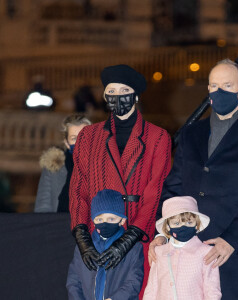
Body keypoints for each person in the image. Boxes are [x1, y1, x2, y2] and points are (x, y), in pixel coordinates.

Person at [149, 59, 238, 300]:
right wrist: (162, 232)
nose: (219, 91)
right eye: (213, 85)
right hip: (187, 252)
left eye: (227, 85)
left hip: (236, 252)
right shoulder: (191, 134)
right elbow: (174, 187)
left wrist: (231, 240)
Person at [69, 64, 172, 297]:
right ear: (105, 97)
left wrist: (128, 240)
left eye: (123, 91)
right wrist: (83, 238)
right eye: (111, 92)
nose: (117, 97)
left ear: (135, 95)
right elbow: (78, 190)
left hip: (138, 236)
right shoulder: (89, 136)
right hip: (98, 237)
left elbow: (154, 193)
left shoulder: (158, 137)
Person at [67, 189, 144, 300]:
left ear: (122, 220)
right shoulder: (84, 247)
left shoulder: (134, 248)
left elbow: (134, 281)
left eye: (111, 219)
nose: (104, 223)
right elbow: (74, 280)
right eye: (99, 219)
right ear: (93, 221)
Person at [143, 196, 221, 300]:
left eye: (189, 223)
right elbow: (152, 288)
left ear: (197, 225)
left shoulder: (206, 252)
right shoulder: (159, 252)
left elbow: (212, 291)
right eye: (176, 223)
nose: (183, 227)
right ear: (167, 227)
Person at [34, 114, 91, 212]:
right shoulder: (54, 166)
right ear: (66, 143)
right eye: (74, 138)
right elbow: (43, 207)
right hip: (58, 224)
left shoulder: (104, 166)